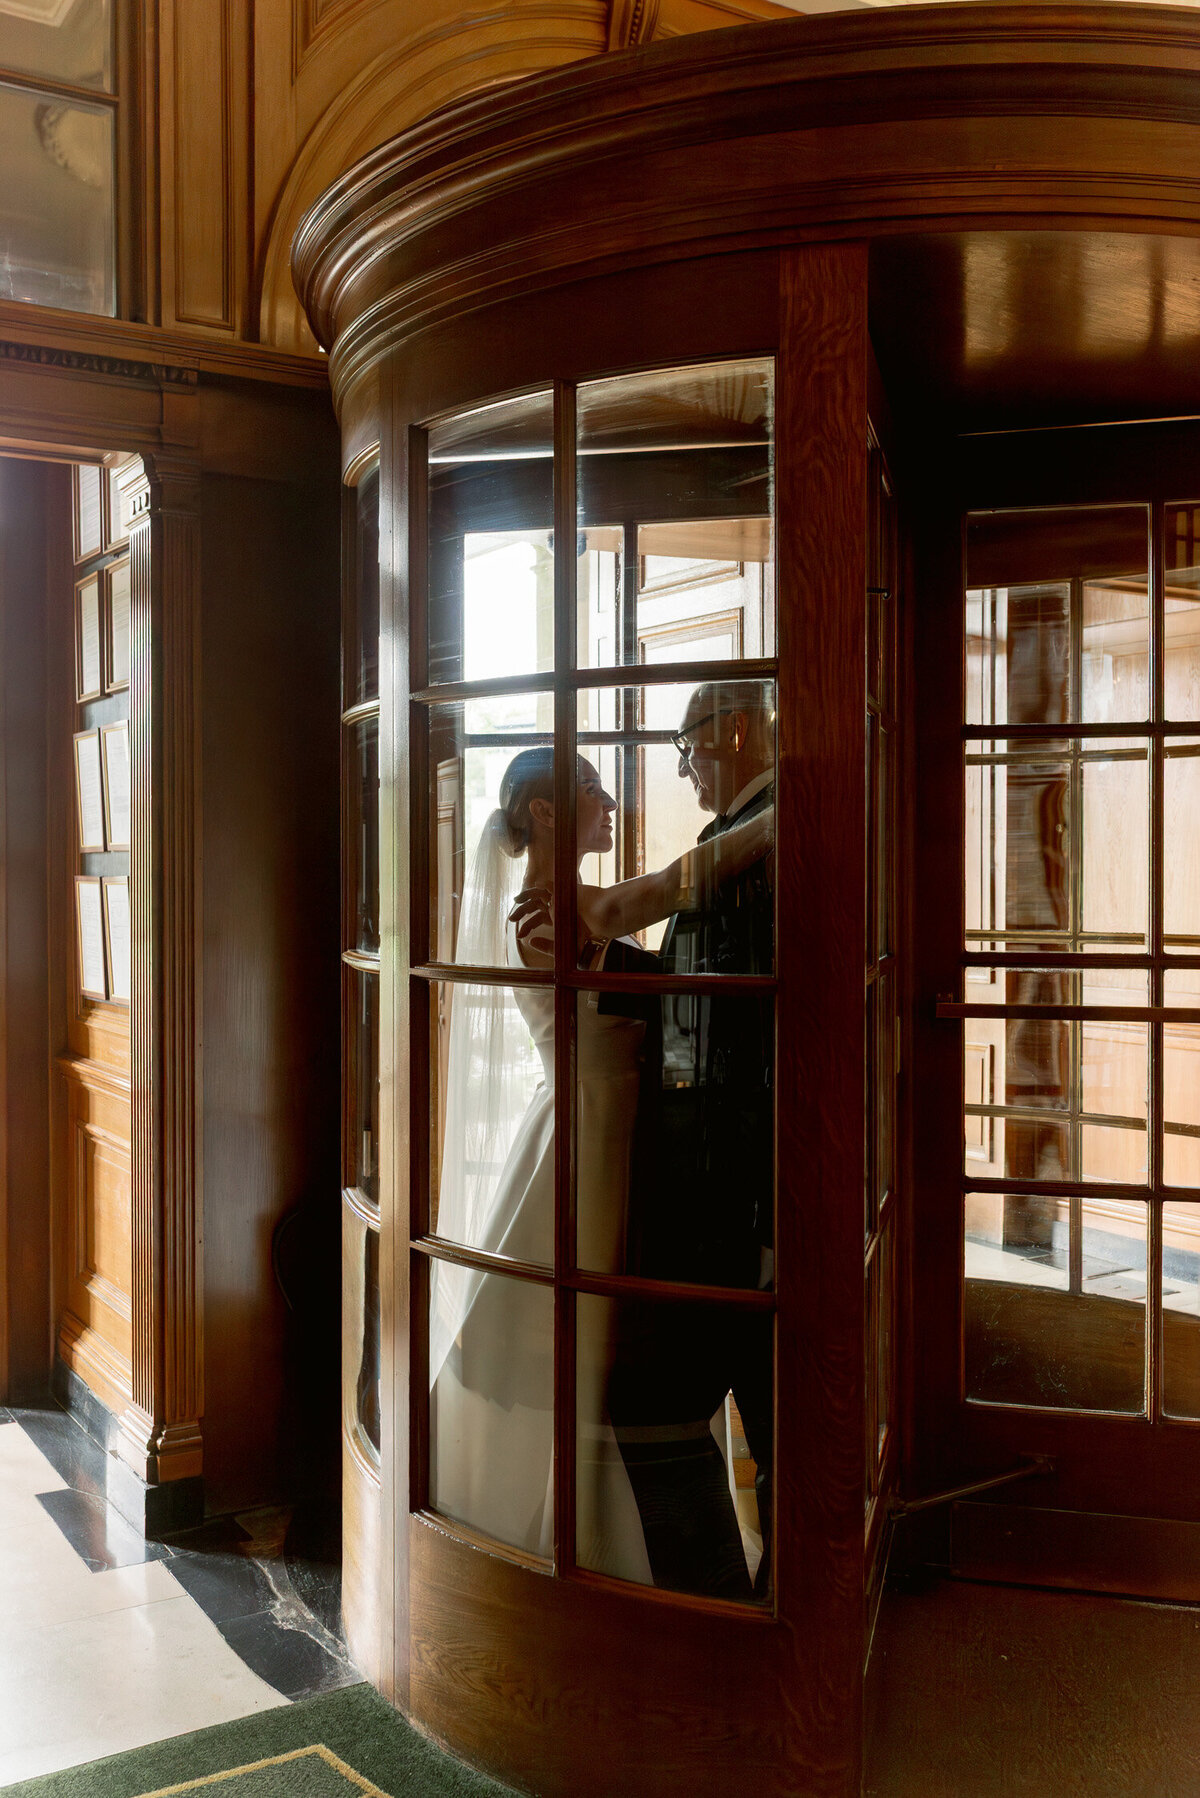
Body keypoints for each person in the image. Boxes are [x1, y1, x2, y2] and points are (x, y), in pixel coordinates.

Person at [430, 745, 773, 1578]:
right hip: (589, 1147)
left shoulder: (567, 904)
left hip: (631, 1134)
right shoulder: (543, 915)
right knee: (590, 1353)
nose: (610, 801)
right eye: (592, 788)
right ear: (546, 813)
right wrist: (774, 826)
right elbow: (655, 896)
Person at [606, 679, 777, 1602]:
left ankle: (730, 1605)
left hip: (732, 1187)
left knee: (684, 1406)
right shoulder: (734, 840)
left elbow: (744, 1040)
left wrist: (758, 1216)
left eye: (688, 744)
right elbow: (695, 986)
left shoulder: (768, 842)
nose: (682, 766)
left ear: (737, 729)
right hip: (721, 1187)